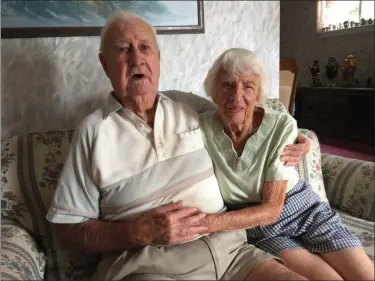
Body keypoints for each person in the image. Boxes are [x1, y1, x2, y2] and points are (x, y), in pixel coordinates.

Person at [45, 11, 309, 281]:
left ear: (158, 58)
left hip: (231, 253)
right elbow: (67, 231)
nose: (137, 59)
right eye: (124, 50)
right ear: (105, 64)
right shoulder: (93, 131)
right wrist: (136, 232)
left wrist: (301, 137)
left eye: (145, 47)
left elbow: (245, 116)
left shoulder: (190, 106)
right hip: (149, 265)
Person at [197, 47, 375, 280]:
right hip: (257, 227)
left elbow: (272, 208)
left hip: (304, 210)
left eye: (248, 86)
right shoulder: (200, 126)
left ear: (259, 93)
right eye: (227, 85)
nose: (236, 95)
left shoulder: (280, 125)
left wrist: (210, 223)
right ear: (213, 90)